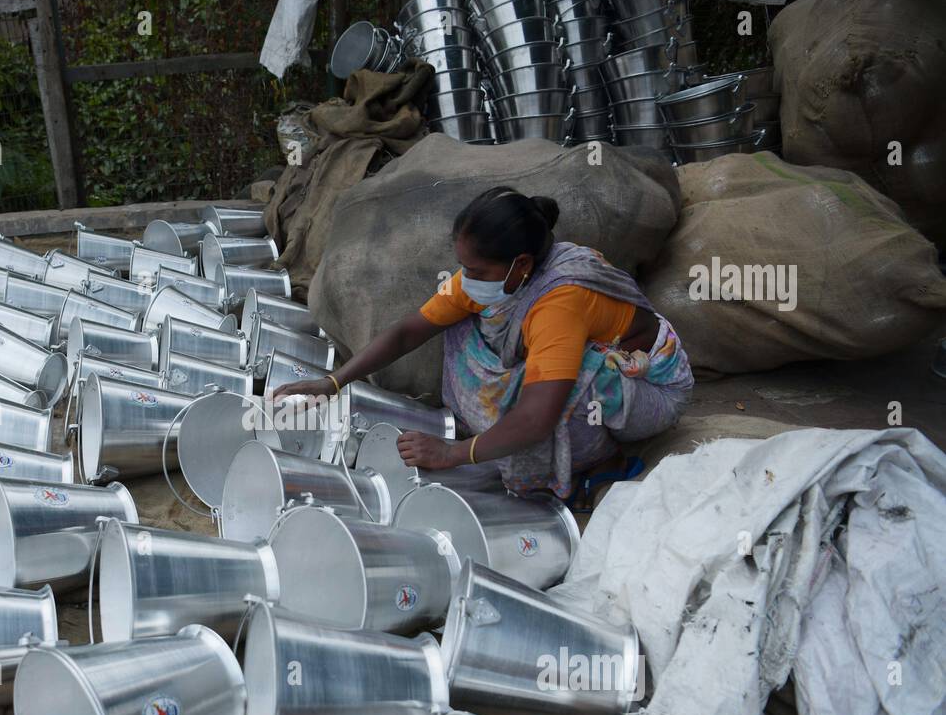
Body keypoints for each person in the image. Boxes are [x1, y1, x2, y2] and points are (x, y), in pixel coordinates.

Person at [273, 186, 694, 504]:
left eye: (475, 269)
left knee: (580, 378)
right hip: (557, 355)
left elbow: (537, 417)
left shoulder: (560, 303)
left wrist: (452, 454)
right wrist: (334, 382)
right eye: (462, 266)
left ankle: (599, 463)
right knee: (460, 325)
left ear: (522, 264)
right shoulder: (497, 278)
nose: (465, 277)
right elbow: (409, 331)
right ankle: (493, 436)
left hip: (646, 391)